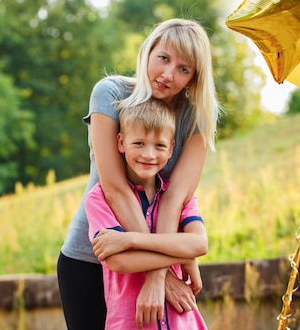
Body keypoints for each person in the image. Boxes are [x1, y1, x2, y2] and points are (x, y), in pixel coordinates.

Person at [57, 18, 219, 330]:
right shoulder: (110, 93)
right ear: (147, 51)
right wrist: (165, 274)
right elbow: (115, 188)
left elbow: (174, 198)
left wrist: (158, 276)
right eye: (164, 58)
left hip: (151, 261)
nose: (169, 74)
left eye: (184, 69)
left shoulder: (197, 116)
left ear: (194, 78)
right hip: (92, 258)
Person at [85, 98, 208, 329]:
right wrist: (183, 255)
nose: (149, 154)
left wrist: (129, 239)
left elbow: (199, 244)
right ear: (121, 143)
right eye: (139, 143)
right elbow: (119, 261)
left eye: (159, 146)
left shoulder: (181, 196)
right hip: (132, 321)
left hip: (183, 320)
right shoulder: (99, 199)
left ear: (171, 148)